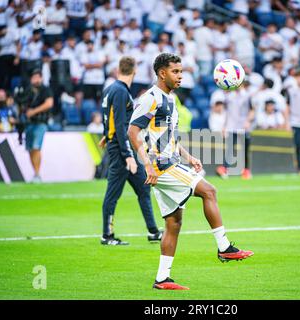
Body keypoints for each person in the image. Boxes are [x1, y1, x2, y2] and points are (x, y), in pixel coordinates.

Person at [127, 53, 253, 290]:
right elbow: (133, 132)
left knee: (174, 222)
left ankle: (162, 278)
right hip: (161, 166)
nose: (180, 76)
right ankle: (224, 247)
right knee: (209, 191)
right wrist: (147, 164)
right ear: (162, 73)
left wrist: (189, 156)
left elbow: (169, 136)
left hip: (171, 162)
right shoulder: (150, 98)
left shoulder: (171, 100)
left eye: (181, 71)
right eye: (175, 72)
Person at [100, 56, 163, 246]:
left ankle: (152, 231)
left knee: (144, 187)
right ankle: (107, 235)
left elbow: (109, 117)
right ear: (134, 70)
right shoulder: (120, 91)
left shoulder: (111, 89)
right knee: (112, 194)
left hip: (117, 143)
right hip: (121, 149)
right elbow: (120, 125)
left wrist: (106, 134)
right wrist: (128, 156)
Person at [24, 69, 54, 183]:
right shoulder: (27, 91)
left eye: (37, 77)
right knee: (30, 149)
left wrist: (34, 111)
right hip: (29, 123)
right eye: (33, 77)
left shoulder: (46, 90)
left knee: (36, 147)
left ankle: (37, 174)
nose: (35, 80)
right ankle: (35, 173)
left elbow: (49, 103)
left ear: (41, 78)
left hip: (41, 122)